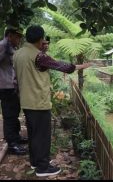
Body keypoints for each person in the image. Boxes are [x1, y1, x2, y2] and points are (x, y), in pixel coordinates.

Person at [13, 25, 92, 177]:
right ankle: (43, 168)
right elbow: (63, 66)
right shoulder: (39, 56)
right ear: (40, 39)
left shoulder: (18, 54)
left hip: (26, 101)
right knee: (42, 136)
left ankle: (36, 162)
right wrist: (84, 65)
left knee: (34, 134)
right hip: (39, 102)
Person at [0, 26, 28, 155]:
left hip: (13, 87)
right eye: (17, 37)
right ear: (10, 35)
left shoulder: (11, 47)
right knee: (9, 115)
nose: (19, 39)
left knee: (15, 113)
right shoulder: (2, 45)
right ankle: (12, 144)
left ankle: (16, 138)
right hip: (6, 87)